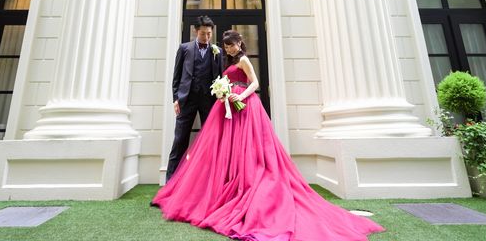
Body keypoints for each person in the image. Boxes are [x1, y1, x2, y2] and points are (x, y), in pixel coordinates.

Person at [153, 30, 384, 240]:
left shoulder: (244, 60)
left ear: (239, 43)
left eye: (231, 45)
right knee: (228, 149)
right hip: (228, 107)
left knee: (249, 148)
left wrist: (240, 97)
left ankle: (247, 186)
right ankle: (228, 183)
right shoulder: (227, 61)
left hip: (245, 107)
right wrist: (224, 93)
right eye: (226, 46)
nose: (229, 49)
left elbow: (255, 83)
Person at [166, 15, 224, 181]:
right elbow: (176, 77)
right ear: (196, 32)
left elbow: (220, 77)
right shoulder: (184, 48)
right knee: (180, 140)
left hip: (209, 101)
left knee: (210, 140)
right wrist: (175, 99)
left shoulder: (217, 52)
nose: (206, 37)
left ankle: (209, 180)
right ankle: (171, 182)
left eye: (209, 34)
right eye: (203, 33)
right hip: (187, 100)